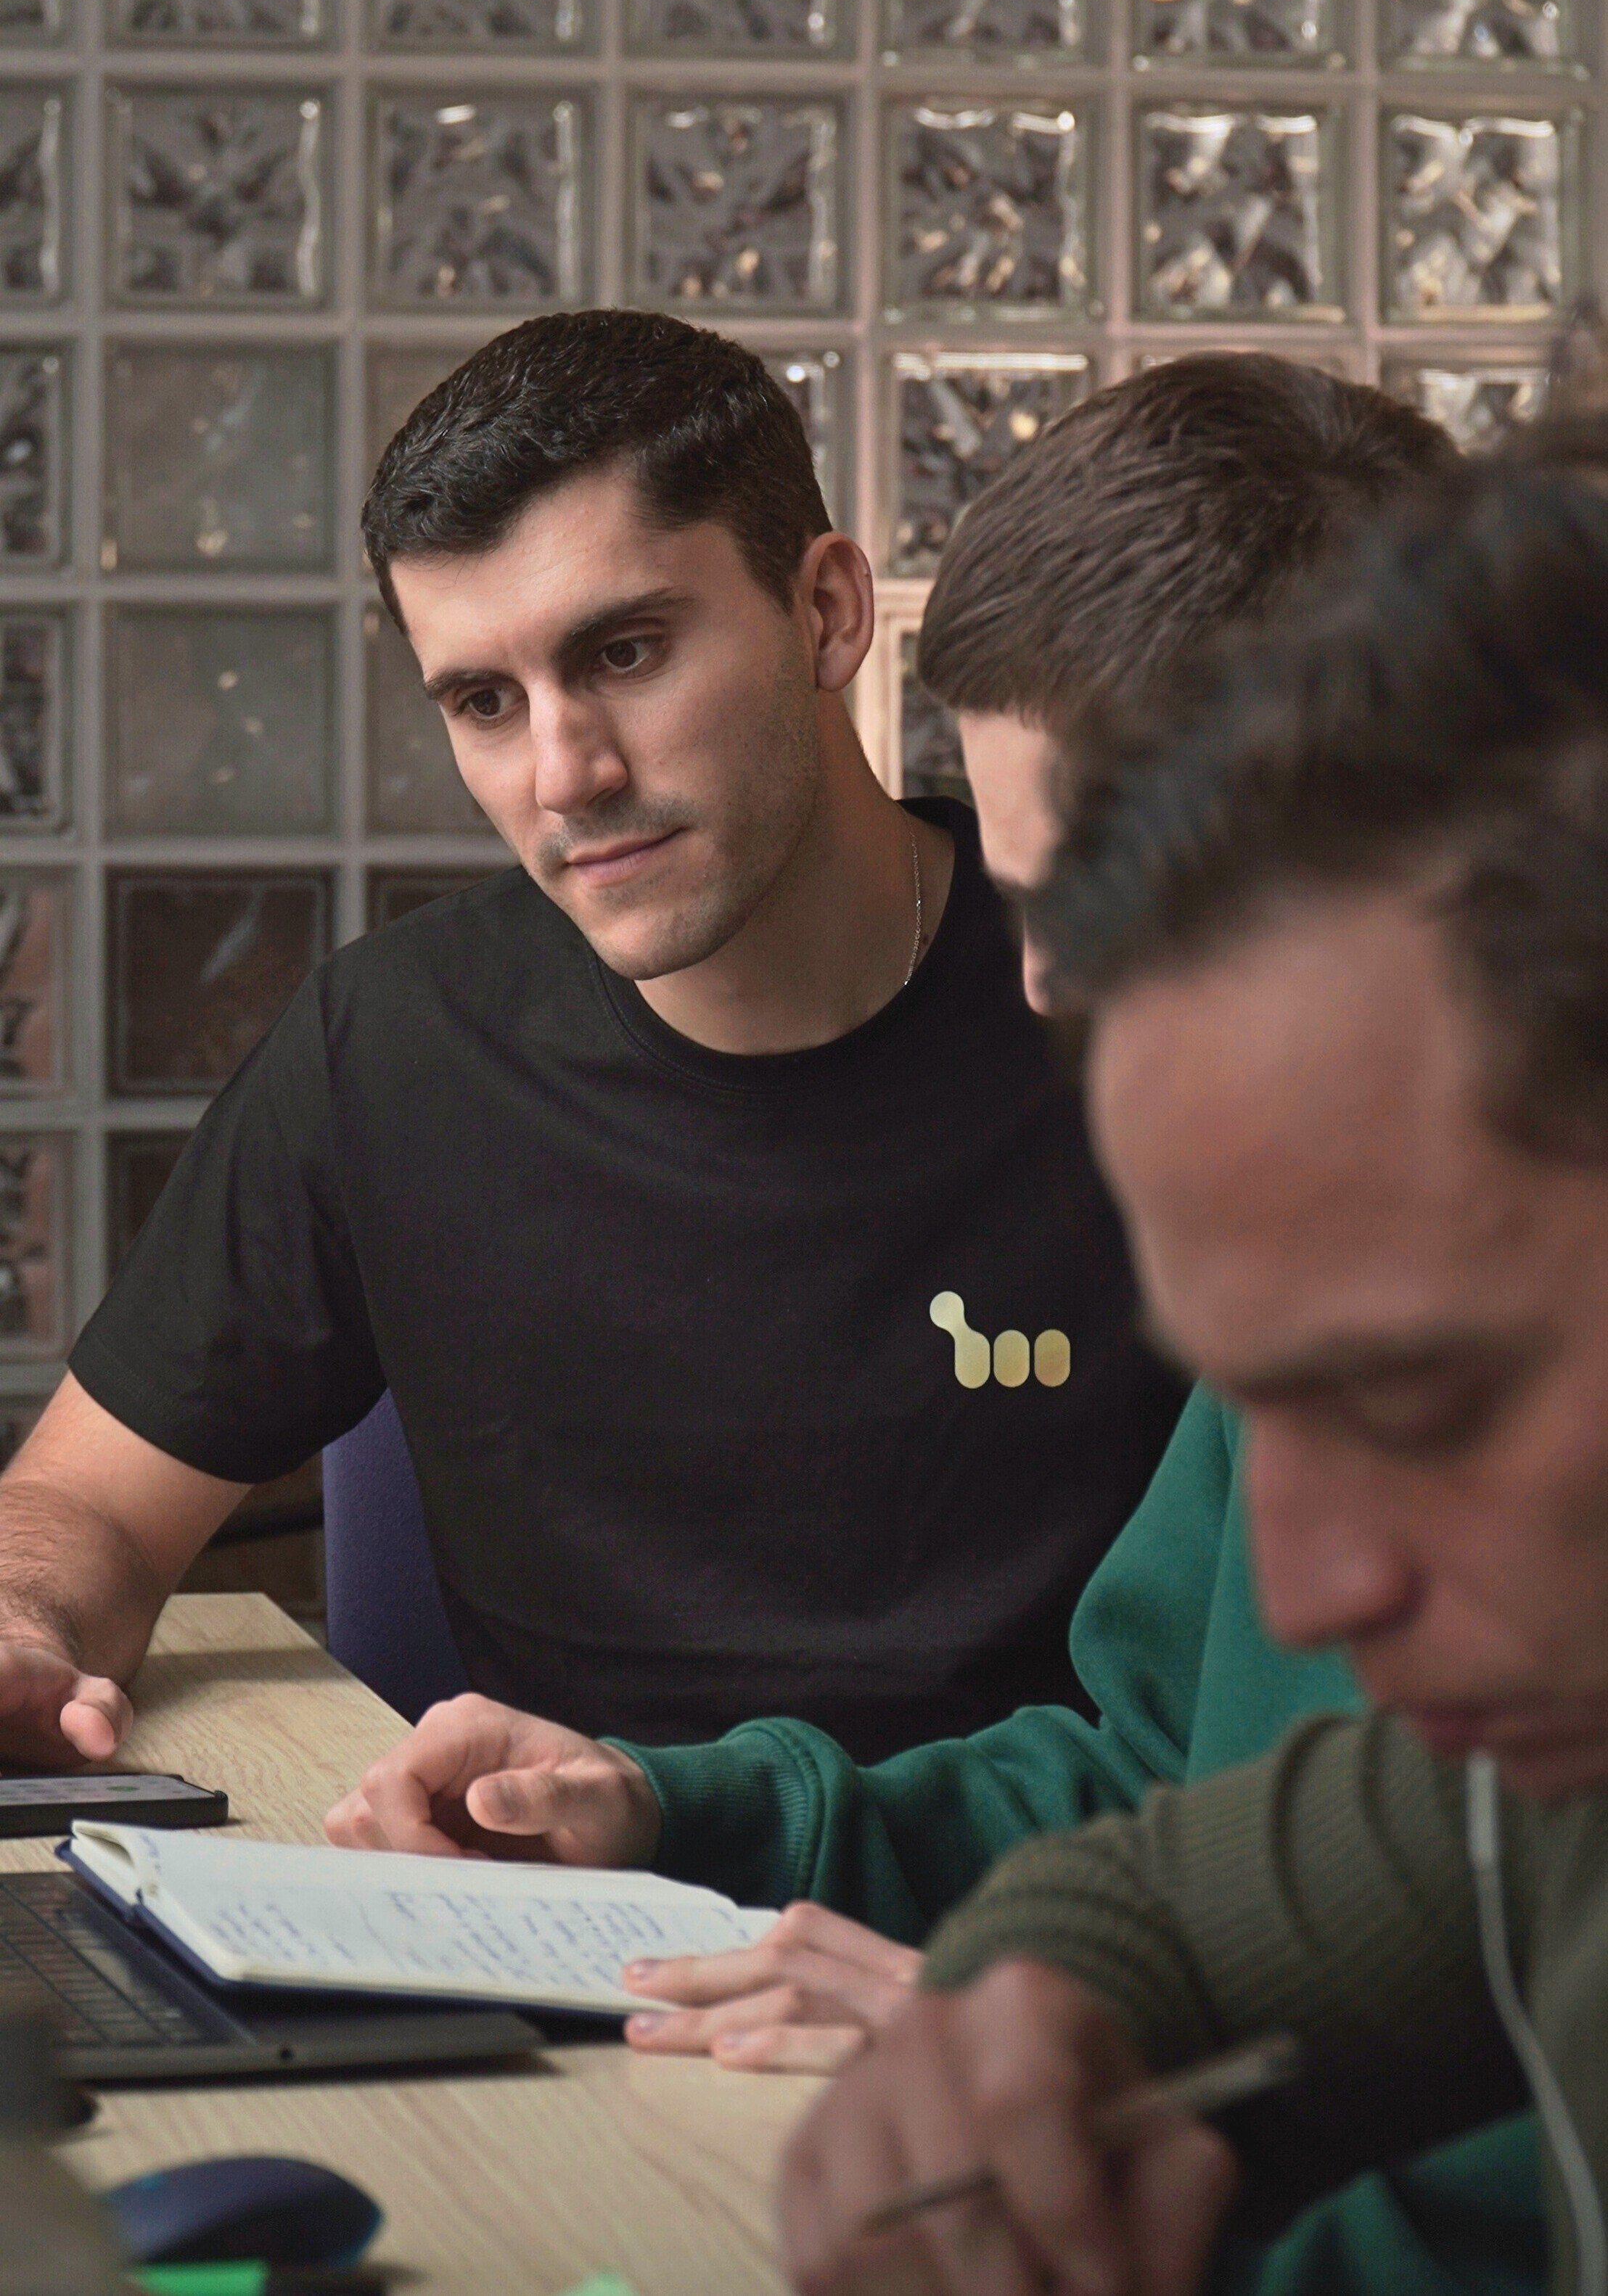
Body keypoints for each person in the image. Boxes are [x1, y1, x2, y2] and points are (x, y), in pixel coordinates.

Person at [332, 363, 1545, 2292]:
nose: (1048, 981)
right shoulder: (1333, 1199)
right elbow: (1254, 1804)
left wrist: (1154, 2138)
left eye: (1115, 903)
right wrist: (712, 1821)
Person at [0, 310, 1184, 1773]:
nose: (565, 773)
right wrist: (24, 1626)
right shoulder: (394, 1048)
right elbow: (90, 1504)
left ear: (825, 610)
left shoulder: (1133, 1006)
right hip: (566, 1945)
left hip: (1055, 1930)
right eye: (484, 703)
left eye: (623, 650)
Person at [777, 435, 1608, 2296]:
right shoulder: (1546, 1774)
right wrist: (1023, 2014)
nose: (1303, 1584)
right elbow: (1173, 1884)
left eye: (1419, 1397)